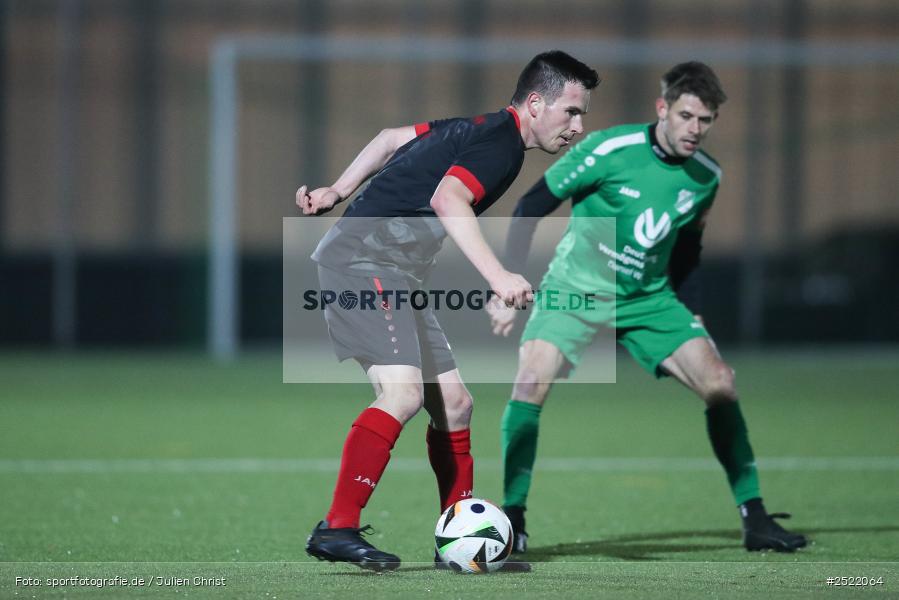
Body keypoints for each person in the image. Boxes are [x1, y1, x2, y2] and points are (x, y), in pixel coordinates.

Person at [297, 51, 600, 572]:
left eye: (582, 114)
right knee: (403, 395)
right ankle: (337, 528)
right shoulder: (502, 146)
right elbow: (448, 200)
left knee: (455, 405)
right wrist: (498, 277)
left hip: (393, 272)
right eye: (571, 111)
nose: (578, 125)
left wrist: (337, 190)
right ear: (534, 103)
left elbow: (392, 138)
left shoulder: (477, 128)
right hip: (364, 261)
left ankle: (456, 541)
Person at [488, 61, 808, 555]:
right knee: (529, 384)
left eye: (705, 121)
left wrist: (694, 313)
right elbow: (532, 205)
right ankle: (513, 517)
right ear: (663, 108)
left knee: (721, 383)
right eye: (686, 116)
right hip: (575, 290)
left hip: (648, 299)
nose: (695, 130)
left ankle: (756, 519)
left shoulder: (706, 177)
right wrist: (506, 283)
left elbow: (687, 255)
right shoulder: (609, 149)